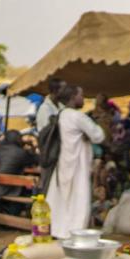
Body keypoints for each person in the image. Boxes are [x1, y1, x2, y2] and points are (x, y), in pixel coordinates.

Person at [45, 85, 105, 239]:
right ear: (73, 97)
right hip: (77, 164)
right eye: (81, 95)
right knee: (78, 201)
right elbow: (99, 136)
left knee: (62, 201)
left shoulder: (62, 115)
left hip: (63, 164)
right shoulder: (78, 117)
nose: (83, 99)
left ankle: (60, 232)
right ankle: (75, 235)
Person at [0, 130, 38, 214]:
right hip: (7, 190)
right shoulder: (20, 152)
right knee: (31, 190)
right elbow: (36, 160)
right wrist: (32, 146)